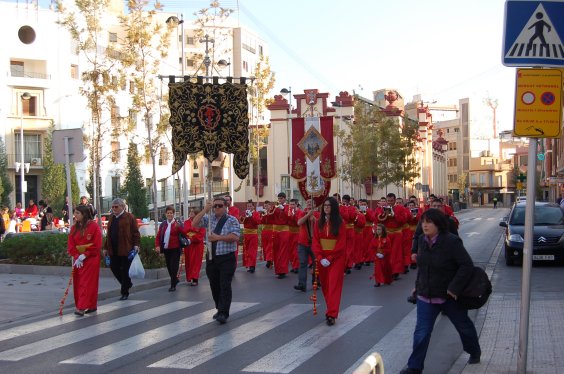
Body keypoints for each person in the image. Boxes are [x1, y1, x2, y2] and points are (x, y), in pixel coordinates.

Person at [400, 209, 481, 374]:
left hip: (449, 296)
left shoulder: (452, 242)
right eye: (423, 222)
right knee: (421, 332)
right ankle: (414, 367)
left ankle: (474, 351)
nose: (425, 225)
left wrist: (453, 288)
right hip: (426, 295)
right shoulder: (422, 240)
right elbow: (423, 267)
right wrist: (418, 285)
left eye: (429, 222)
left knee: (463, 326)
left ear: (438, 224)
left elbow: (466, 266)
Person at [192, 197, 240, 325]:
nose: (216, 208)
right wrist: (204, 210)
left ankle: (224, 312)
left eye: (219, 206)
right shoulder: (209, 219)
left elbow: (235, 237)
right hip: (212, 257)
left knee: (225, 284)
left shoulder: (232, 220)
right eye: (214, 206)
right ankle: (219, 308)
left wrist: (217, 237)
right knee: (214, 285)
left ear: (225, 207)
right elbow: (194, 223)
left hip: (226, 257)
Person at [312, 196, 347, 326]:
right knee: (326, 286)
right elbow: (315, 241)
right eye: (325, 205)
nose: (326, 207)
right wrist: (320, 258)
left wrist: (330, 258)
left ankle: (331, 314)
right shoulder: (318, 223)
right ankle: (330, 308)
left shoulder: (340, 223)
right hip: (322, 258)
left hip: (336, 258)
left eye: (329, 205)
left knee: (334, 285)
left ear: (334, 207)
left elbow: (341, 244)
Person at [67, 205, 103, 316]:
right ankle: (91, 305)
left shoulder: (94, 227)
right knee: (78, 283)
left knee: (87, 283)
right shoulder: (74, 228)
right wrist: (77, 256)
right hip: (78, 259)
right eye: (75, 213)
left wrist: (85, 254)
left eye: (77, 213)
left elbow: (97, 245)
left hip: (91, 258)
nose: (75, 215)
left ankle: (82, 307)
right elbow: (71, 244)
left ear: (84, 214)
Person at [102, 198, 141, 300]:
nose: (114, 209)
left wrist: (136, 245)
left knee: (125, 271)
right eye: (113, 207)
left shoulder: (129, 217)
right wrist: (105, 247)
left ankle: (124, 292)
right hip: (113, 249)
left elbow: (135, 233)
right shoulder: (111, 218)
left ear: (122, 207)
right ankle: (127, 283)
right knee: (114, 268)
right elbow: (108, 235)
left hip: (126, 249)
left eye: (116, 207)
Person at [155, 205, 189, 292]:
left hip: (175, 248)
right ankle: (175, 280)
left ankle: (173, 284)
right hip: (166, 249)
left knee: (174, 267)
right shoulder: (163, 224)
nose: (169, 214)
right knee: (169, 267)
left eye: (171, 213)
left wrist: (180, 228)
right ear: (165, 214)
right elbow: (158, 236)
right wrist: (157, 246)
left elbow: (185, 233)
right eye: (168, 213)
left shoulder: (177, 224)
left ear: (173, 214)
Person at [294, 199, 320, 292]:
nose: (309, 204)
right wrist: (308, 215)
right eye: (308, 203)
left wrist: (314, 219)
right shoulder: (302, 213)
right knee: (302, 263)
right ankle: (302, 284)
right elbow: (299, 222)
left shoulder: (318, 214)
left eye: (311, 203)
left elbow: (321, 226)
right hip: (302, 243)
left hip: (315, 243)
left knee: (315, 264)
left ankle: (316, 282)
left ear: (314, 204)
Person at [183, 207, 206, 286]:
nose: (191, 213)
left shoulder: (201, 222)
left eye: (193, 212)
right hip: (188, 245)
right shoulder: (186, 222)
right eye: (190, 211)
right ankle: (189, 277)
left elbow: (201, 234)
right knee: (189, 261)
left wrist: (191, 238)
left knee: (196, 262)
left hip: (197, 245)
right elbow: (184, 232)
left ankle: (195, 278)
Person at [240, 200, 261, 273]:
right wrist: (245, 216)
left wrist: (251, 216)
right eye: (248, 206)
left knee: (252, 251)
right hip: (246, 234)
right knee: (246, 250)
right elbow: (241, 221)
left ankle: (252, 266)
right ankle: (248, 265)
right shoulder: (245, 213)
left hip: (253, 234)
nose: (249, 207)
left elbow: (257, 222)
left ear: (253, 207)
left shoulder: (256, 213)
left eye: (250, 206)